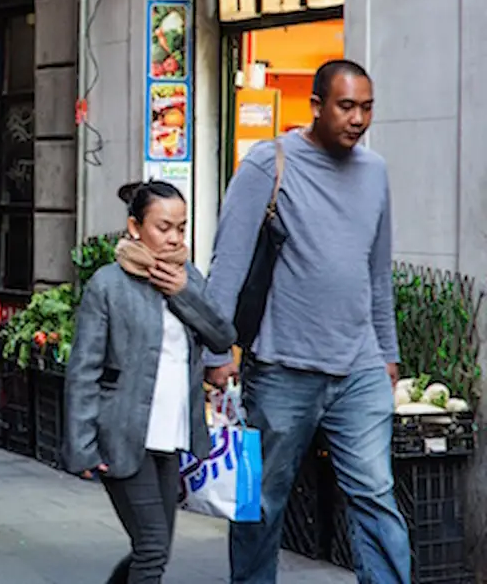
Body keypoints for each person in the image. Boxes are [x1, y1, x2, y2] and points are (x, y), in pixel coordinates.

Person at [205, 59, 410, 583]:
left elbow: (377, 271)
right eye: (346, 106)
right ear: (316, 106)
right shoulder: (267, 164)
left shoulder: (376, 172)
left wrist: (387, 355)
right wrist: (214, 352)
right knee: (263, 500)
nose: (358, 119)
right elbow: (228, 264)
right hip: (281, 369)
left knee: (376, 496)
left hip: (360, 368)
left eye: (366, 107)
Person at [63, 181, 235, 583]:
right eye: (164, 227)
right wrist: (83, 445)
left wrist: (183, 293)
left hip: (172, 435)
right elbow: (84, 369)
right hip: (123, 434)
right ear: (135, 227)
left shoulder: (187, 277)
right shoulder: (108, 284)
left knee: (153, 549)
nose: (175, 237)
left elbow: (222, 336)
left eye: (181, 226)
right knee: (153, 549)